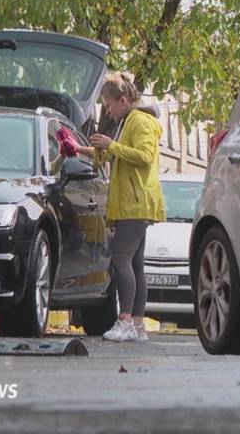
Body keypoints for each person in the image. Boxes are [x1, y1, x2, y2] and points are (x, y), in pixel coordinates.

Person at [75, 71, 165, 342]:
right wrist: (81, 150)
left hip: (135, 203)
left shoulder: (140, 121)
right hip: (133, 202)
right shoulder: (129, 120)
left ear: (123, 99)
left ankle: (124, 320)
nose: (108, 111)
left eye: (110, 105)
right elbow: (118, 154)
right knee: (135, 263)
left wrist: (111, 145)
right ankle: (137, 325)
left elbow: (145, 157)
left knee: (120, 260)